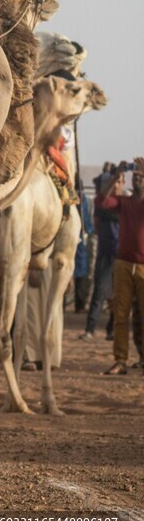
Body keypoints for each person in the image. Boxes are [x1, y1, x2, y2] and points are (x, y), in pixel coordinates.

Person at [99, 159, 144, 375]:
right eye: (135, 177)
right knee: (121, 314)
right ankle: (120, 360)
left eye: (141, 177)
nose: (137, 179)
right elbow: (101, 200)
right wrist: (116, 176)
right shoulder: (124, 202)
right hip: (123, 263)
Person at [81, 170, 121, 339]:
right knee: (100, 292)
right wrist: (115, 178)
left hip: (121, 256)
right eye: (114, 182)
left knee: (118, 295)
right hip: (106, 254)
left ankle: (111, 329)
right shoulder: (103, 203)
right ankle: (90, 329)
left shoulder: (125, 202)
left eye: (119, 182)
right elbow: (97, 221)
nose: (116, 185)